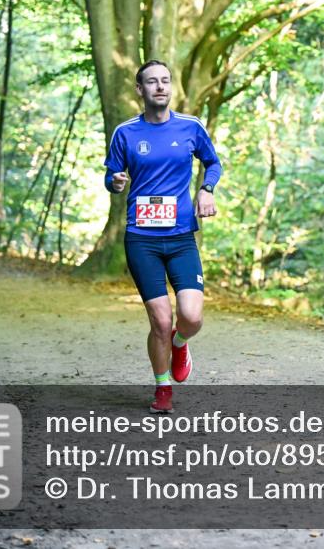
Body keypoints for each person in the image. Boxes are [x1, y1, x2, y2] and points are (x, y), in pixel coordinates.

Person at [104, 60, 222, 414]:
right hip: (142, 239)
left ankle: (181, 343)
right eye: (152, 82)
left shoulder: (190, 127)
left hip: (182, 236)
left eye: (165, 81)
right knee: (160, 320)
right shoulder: (125, 133)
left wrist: (206, 190)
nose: (160, 87)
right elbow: (112, 175)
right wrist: (116, 182)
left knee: (191, 317)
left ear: (171, 88)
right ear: (140, 90)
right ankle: (162, 387)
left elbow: (212, 162)